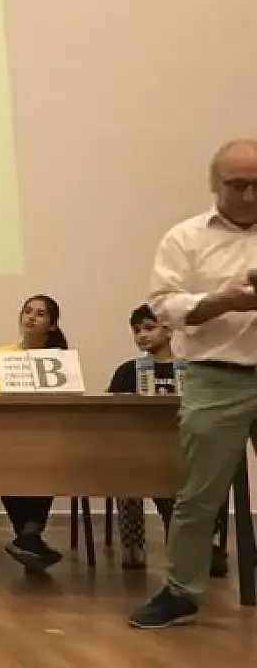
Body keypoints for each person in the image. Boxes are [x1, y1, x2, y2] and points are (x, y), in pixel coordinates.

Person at [129, 139, 257, 630]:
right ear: (213, 183)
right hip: (216, 376)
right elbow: (164, 305)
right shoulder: (185, 238)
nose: (248, 195)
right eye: (237, 185)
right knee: (200, 495)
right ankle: (181, 591)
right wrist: (224, 301)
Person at [106, 304, 229, 573]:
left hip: (186, 448)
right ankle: (144, 545)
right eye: (136, 330)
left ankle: (201, 542)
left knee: (209, 468)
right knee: (134, 471)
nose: (142, 335)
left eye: (149, 328)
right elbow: (113, 415)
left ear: (170, 330)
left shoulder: (191, 369)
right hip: (142, 451)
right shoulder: (128, 371)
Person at [0, 294, 68, 573]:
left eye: (40, 314)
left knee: (48, 456)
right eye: (27, 311)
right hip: (6, 432)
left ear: (52, 324)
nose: (31, 317)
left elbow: (67, 401)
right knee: (9, 456)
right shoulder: (1, 355)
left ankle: (28, 537)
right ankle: (29, 536)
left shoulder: (61, 359)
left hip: (44, 435)